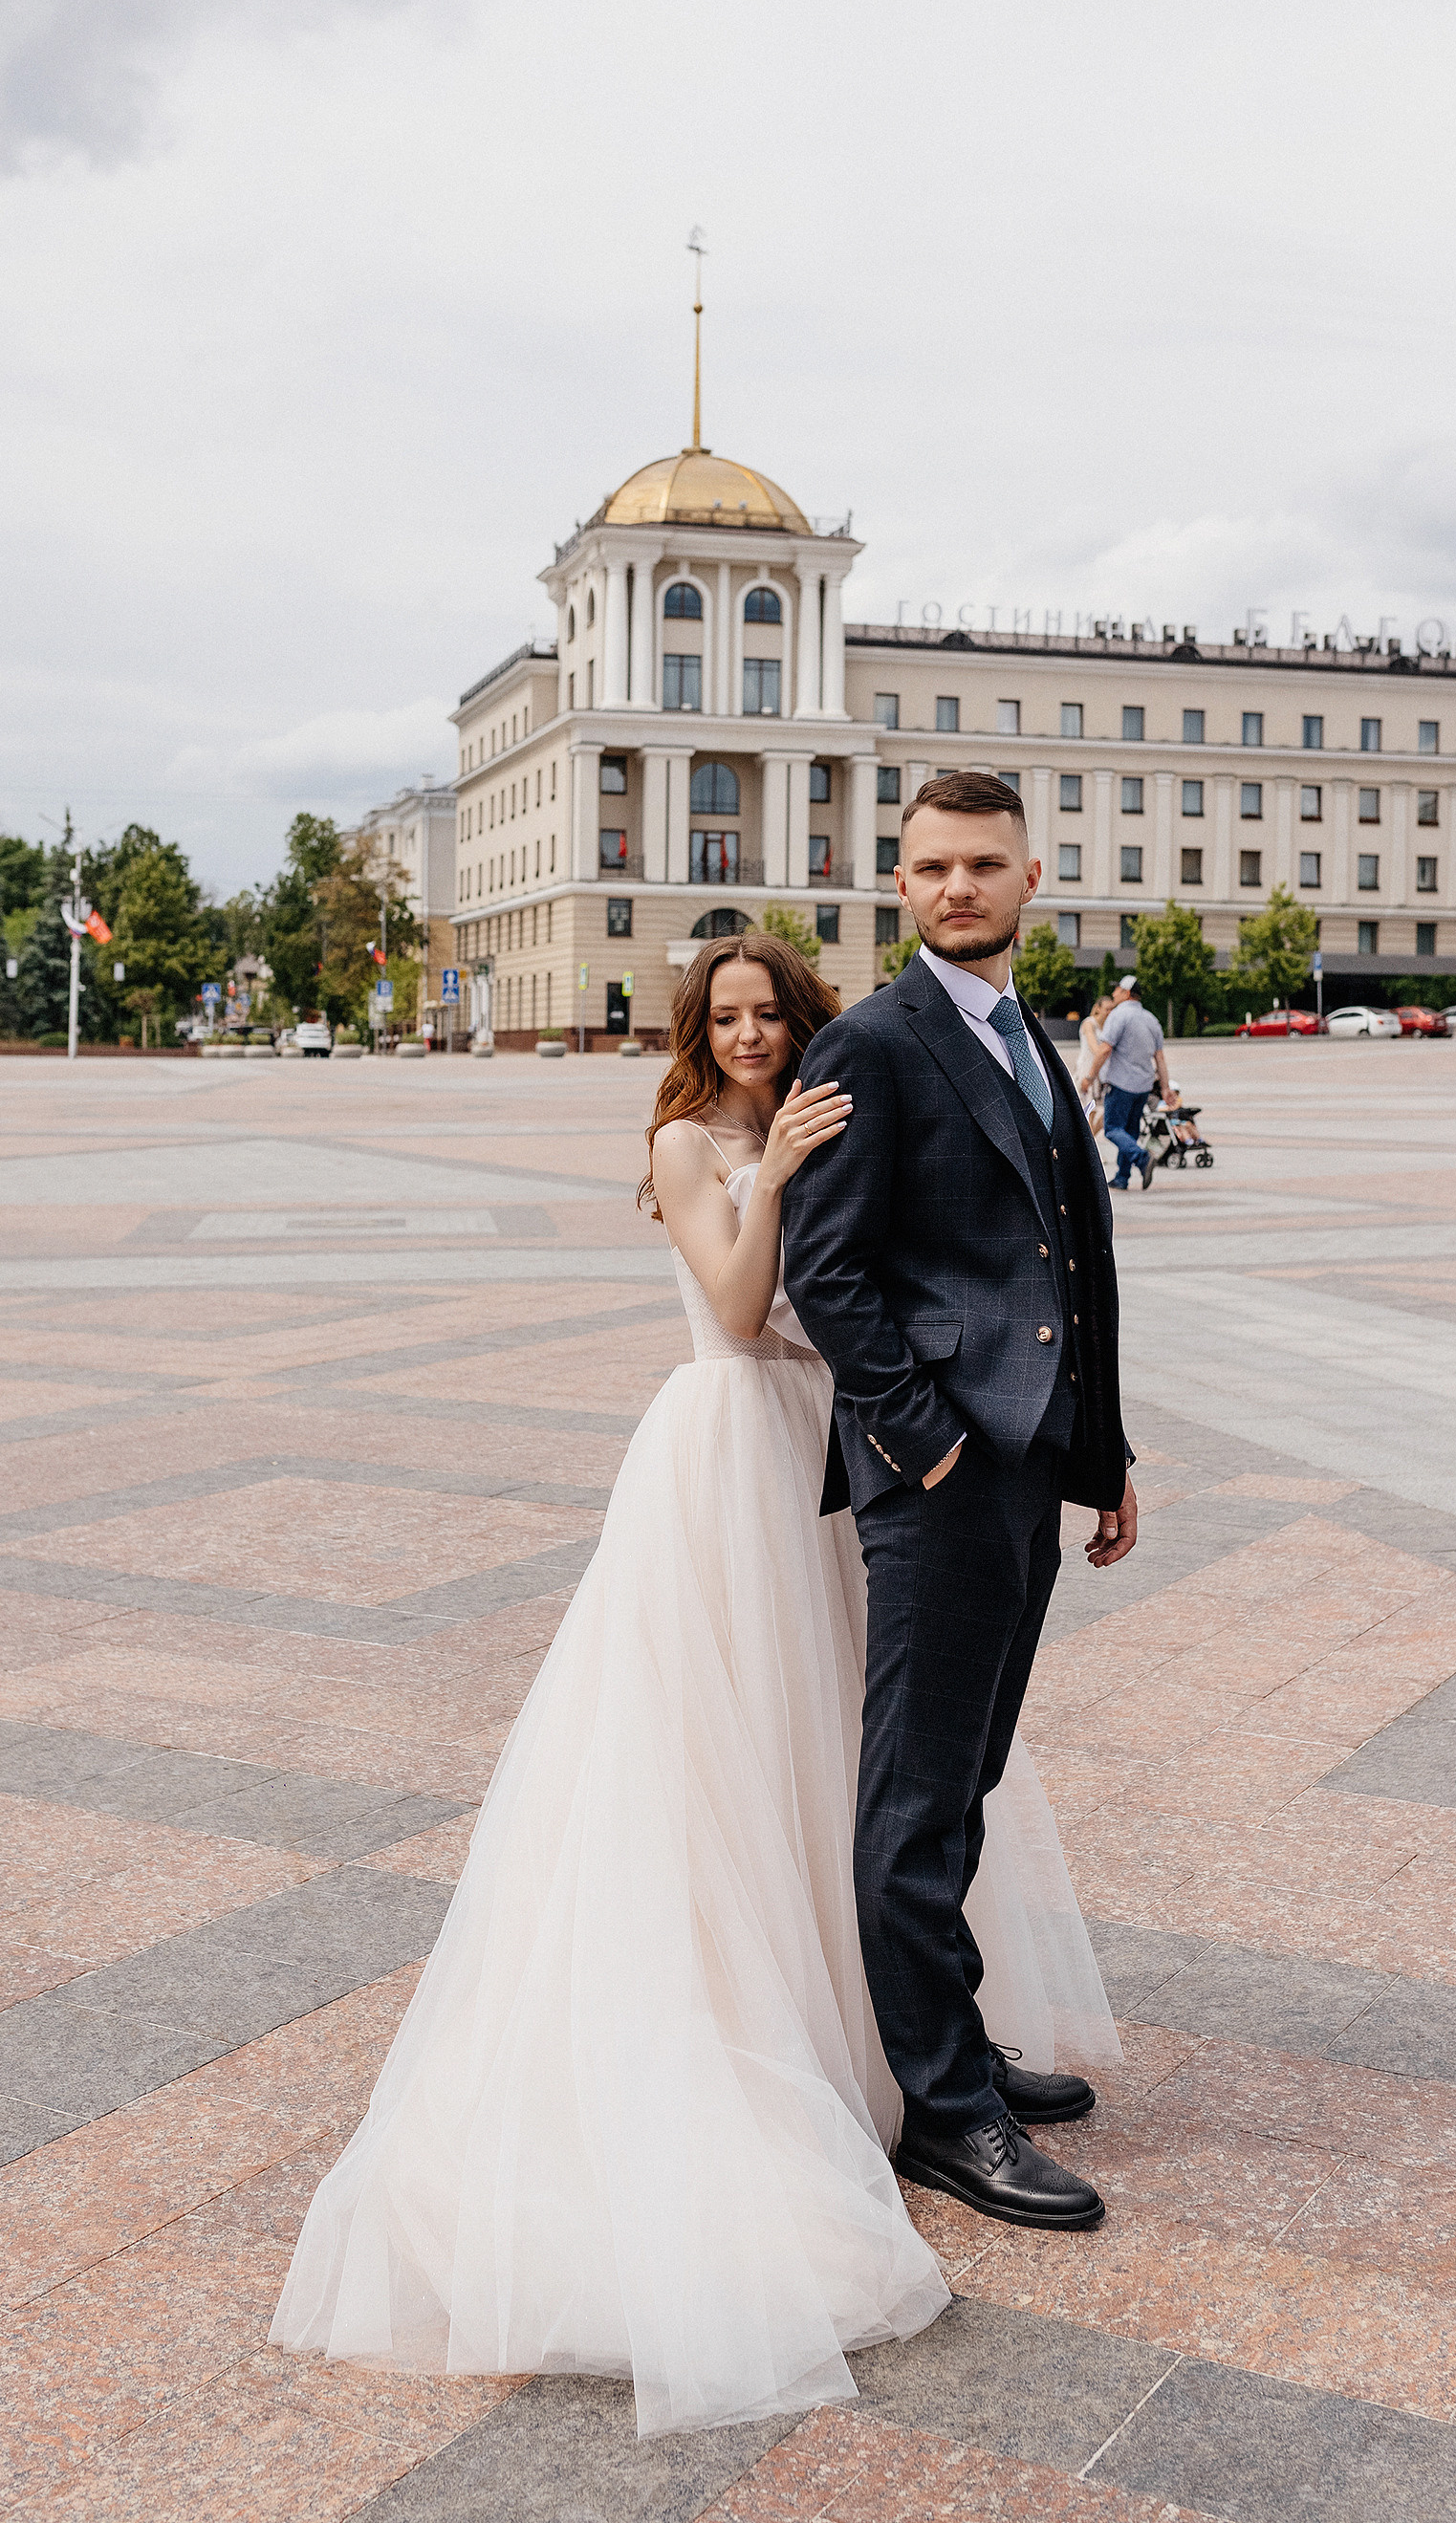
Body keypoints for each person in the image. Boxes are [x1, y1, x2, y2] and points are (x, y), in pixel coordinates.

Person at [271, 930, 1119, 2435]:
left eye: (766, 1014)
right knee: (724, 1743)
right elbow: (738, 1309)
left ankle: (902, 2033)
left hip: (836, 1448)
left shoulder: (835, 1101)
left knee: (858, 1746)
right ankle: (796, 2039)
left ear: (801, 1018)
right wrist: (774, 1172)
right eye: (722, 1018)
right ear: (695, 1030)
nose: (745, 1036)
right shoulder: (684, 1141)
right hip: (729, 1447)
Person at [782, 772, 1137, 2237]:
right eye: (930, 867)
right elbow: (828, 1268)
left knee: (969, 1772)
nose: (956, 889)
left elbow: (1072, 1259)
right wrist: (922, 1442)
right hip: (939, 1476)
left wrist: (1100, 1451)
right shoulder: (875, 1039)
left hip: (1030, 1458)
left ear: (1032, 877)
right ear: (899, 879)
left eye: (983, 866)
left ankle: (958, 2037)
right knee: (918, 1794)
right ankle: (943, 2111)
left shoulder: (1027, 1035)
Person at [1088, 972, 1170, 1192]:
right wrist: (1165, 1088)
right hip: (1143, 1087)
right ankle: (1122, 1178)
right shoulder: (1151, 1019)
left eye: (1117, 990)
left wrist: (1089, 1077)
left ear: (1126, 993)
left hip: (1120, 1083)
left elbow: (1105, 1049)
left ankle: (1142, 1159)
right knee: (1130, 1132)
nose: (1113, 993)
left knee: (1113, 1129)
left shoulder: (1118, 1016)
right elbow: (1159, 1057)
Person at [1074, 990, 1114, 1135]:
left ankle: (1090, 1145)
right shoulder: (1089, 1024)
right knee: (1089, 1113)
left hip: (1100, 1074)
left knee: (1105, 1114)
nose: (1110, 1012)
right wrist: (1104, 1052)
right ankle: (1090, 1152)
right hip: (1087, 1071)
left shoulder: (1107, 1028)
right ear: (1098, 1008)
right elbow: (1095, 1049)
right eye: (1107, 1009)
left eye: (1112, 1009)